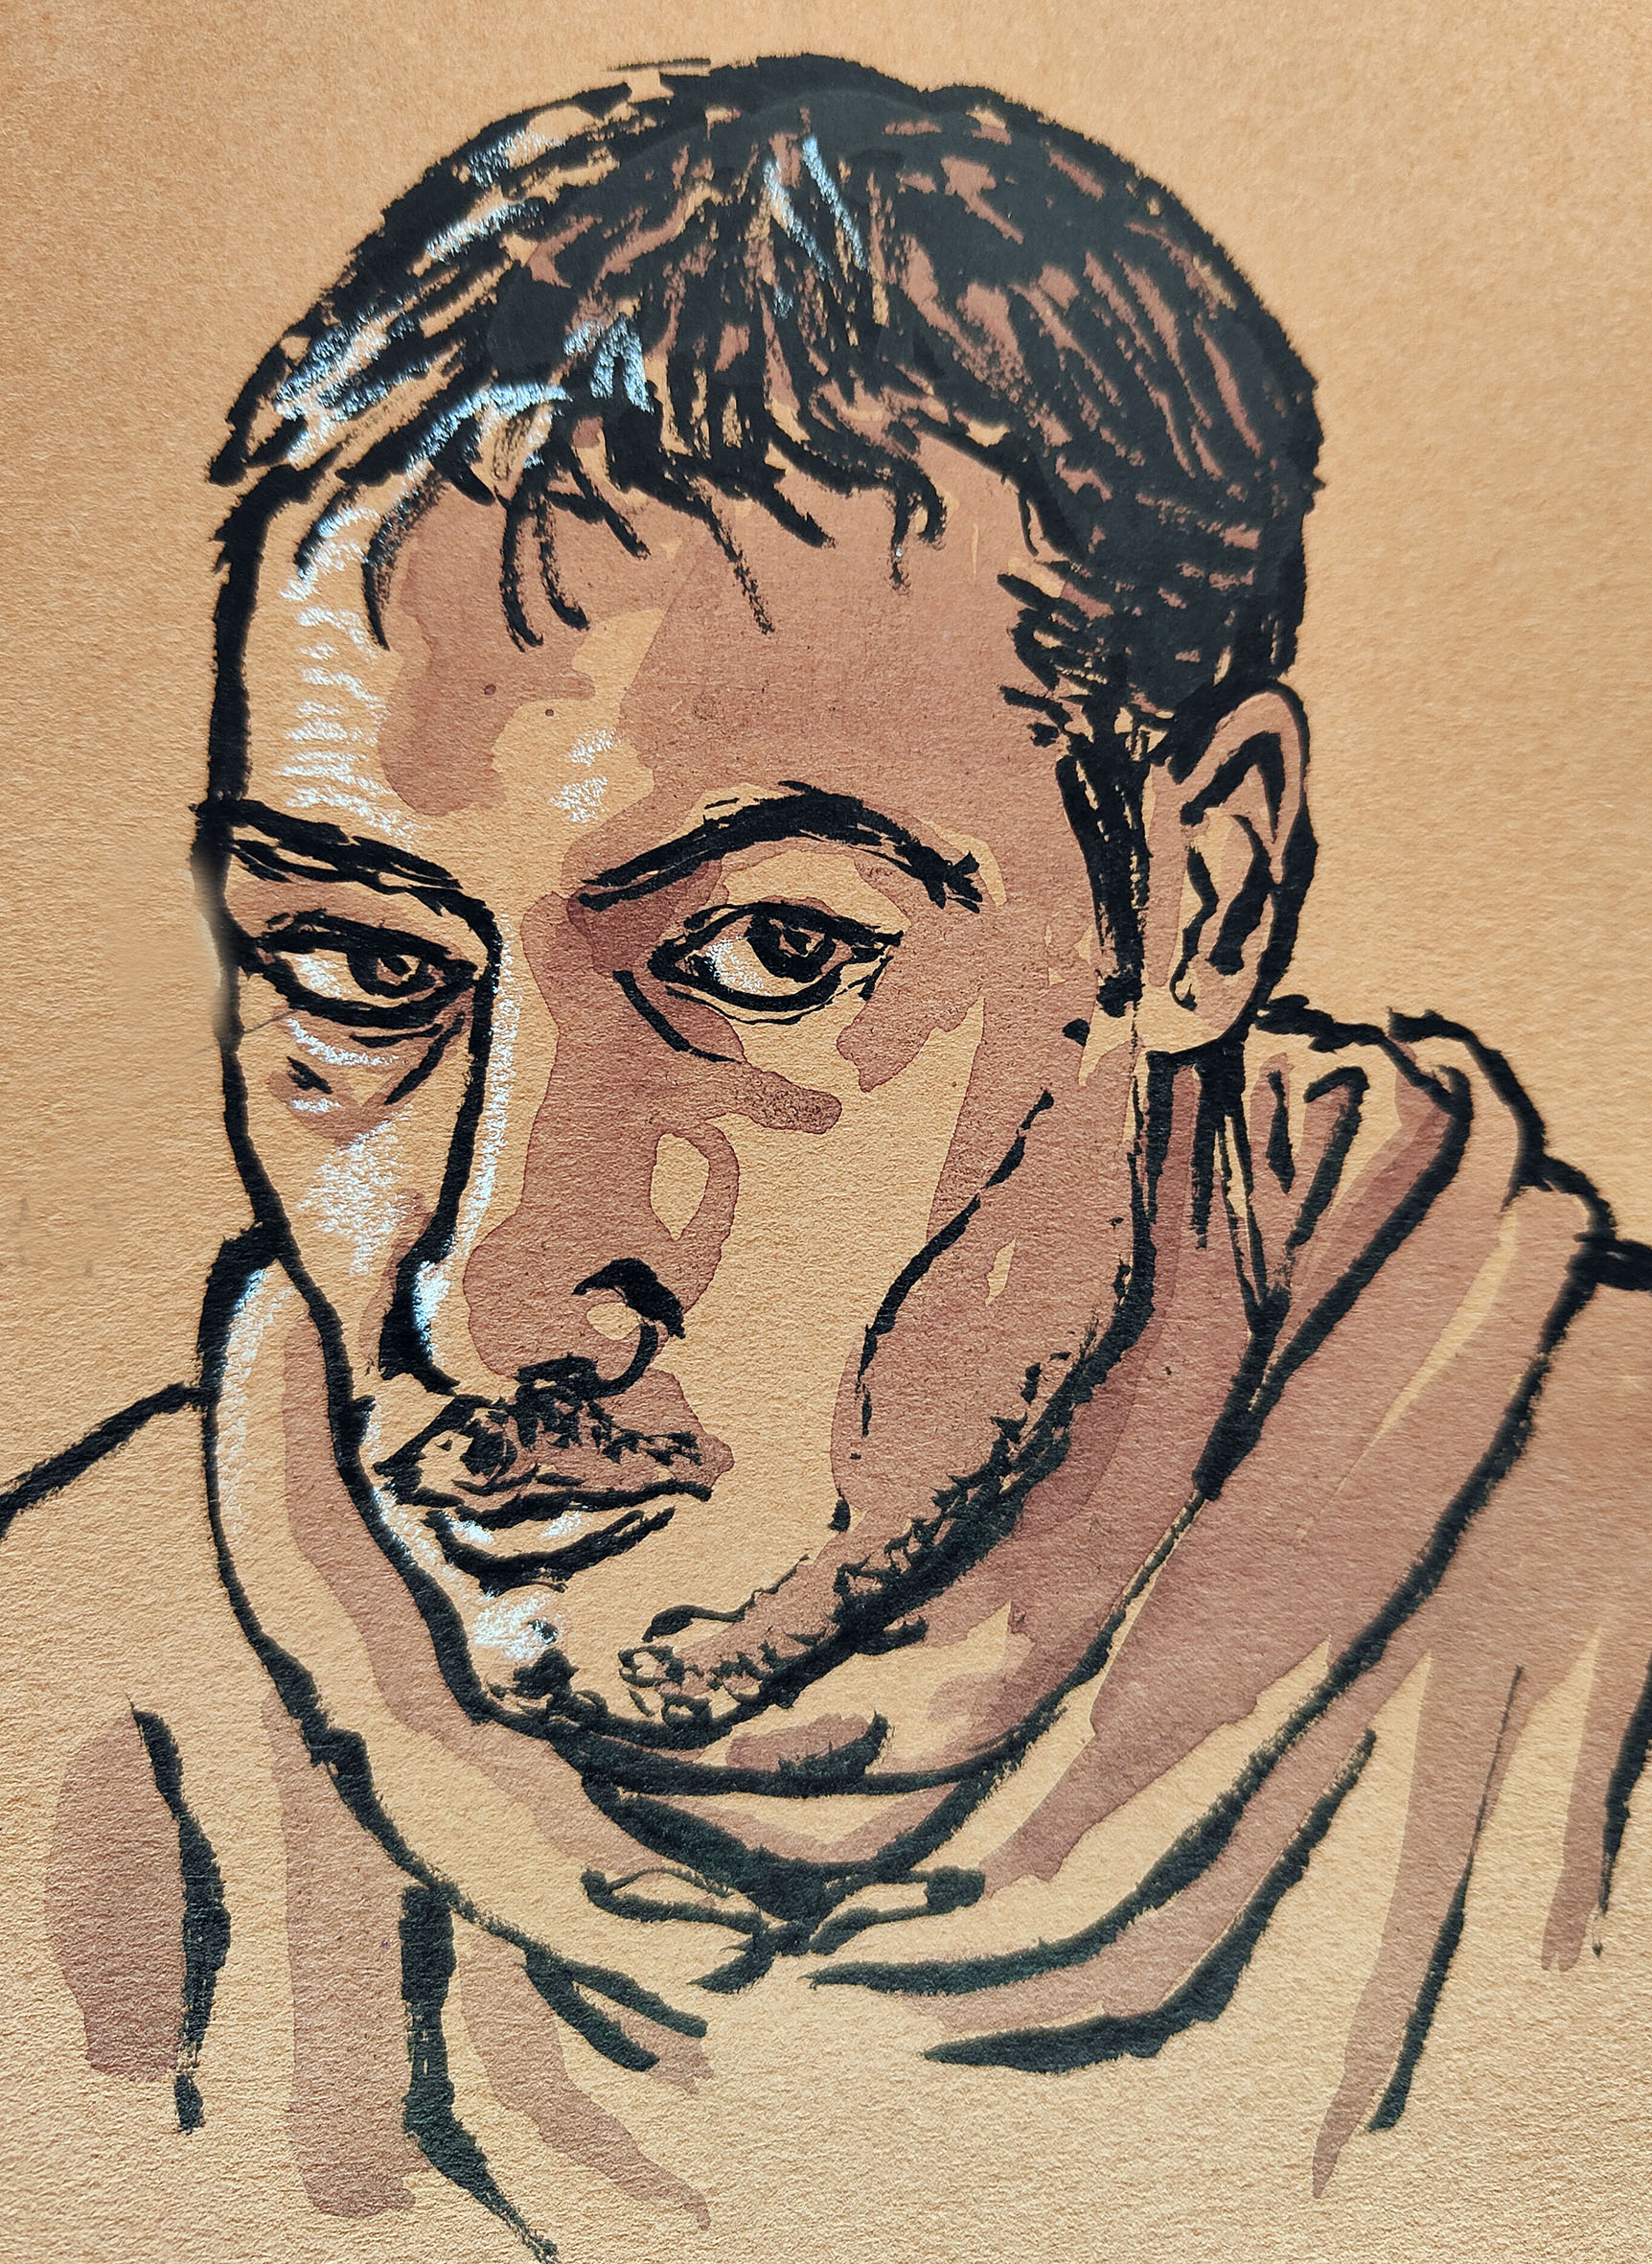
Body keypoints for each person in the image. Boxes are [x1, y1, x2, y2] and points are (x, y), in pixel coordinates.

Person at [5, 57, 1650, 2262]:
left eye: (767, 954)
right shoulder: (67, 1730)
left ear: (1204, 896)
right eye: (364, 968)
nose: (488, 1291)